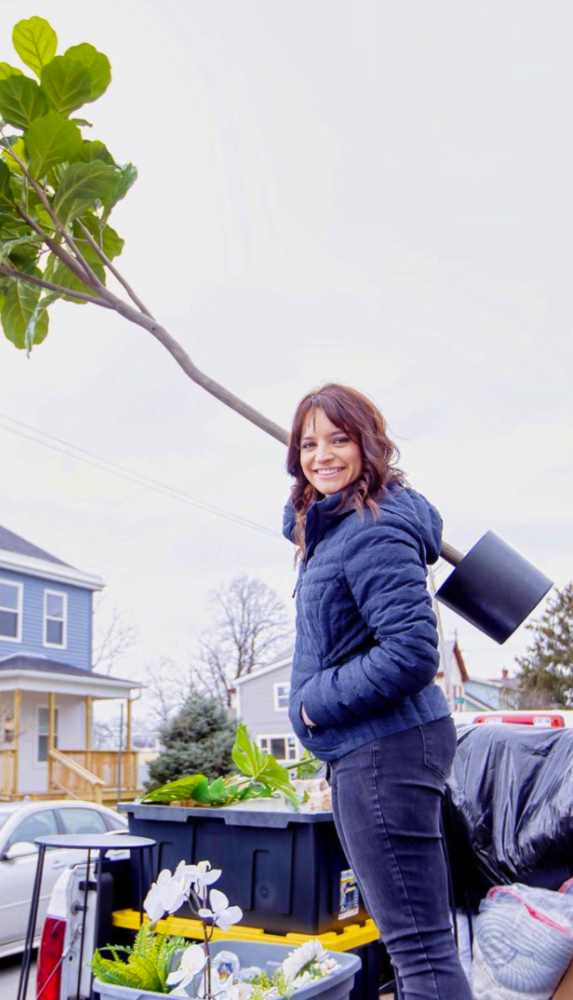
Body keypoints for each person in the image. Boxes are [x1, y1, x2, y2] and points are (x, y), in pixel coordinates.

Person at [283, 383, 472, 1000]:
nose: (323, 455)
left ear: (368, 444)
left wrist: (315, 702)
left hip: (383, 749)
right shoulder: (342, 526)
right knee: (415, 948)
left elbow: (412, 651)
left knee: (419, 956)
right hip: (377, 749)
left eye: (339, 439)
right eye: (309, 443)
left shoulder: (372, 529)